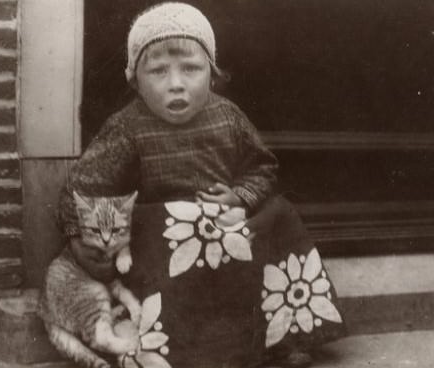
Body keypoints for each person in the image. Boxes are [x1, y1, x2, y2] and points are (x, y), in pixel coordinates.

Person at [58, 2, 335, 367]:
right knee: (175, 231)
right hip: (166, 241)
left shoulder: (227, 116)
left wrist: (241, 195)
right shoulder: (126, 128)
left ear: (213, 73)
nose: (176, 84)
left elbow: (262, 167)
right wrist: (80, 238)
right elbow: (82, 188)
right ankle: (184, 349)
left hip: (226, 226)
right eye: (157, 71)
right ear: (134, 80)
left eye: (191, 69)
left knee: (280, 213)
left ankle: (284, 333)